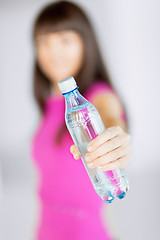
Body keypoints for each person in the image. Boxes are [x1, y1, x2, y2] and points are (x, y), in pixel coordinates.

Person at [31, 1, 131, 239]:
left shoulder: (99, 96)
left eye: (65, 40)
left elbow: (109, 117)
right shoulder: (50, 101)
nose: (53, 53)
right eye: (44, 41)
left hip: (83, 233)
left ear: (85, 43)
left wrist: (115, 140)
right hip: (45, 230)